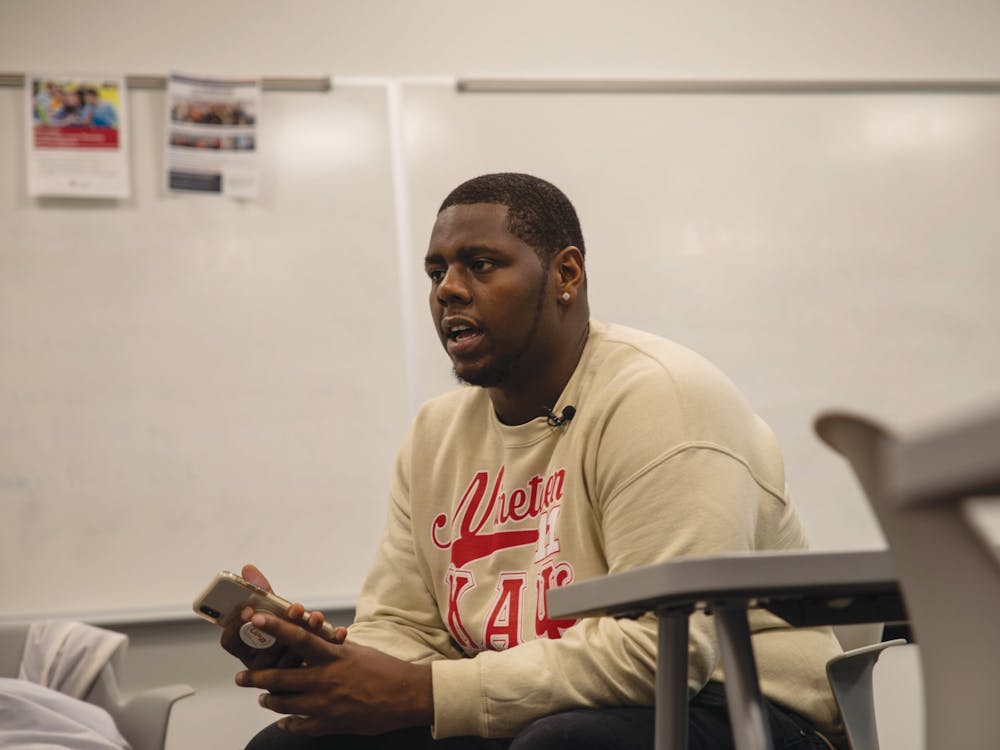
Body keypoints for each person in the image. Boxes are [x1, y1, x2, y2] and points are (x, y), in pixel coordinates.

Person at [223, 173, 845, 750]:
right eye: (436, 272)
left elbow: (666, 652)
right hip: (541, 710)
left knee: (565, 744)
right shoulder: (435, 433)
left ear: (566, 274)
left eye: (482, 265)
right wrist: (321, 663)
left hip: (744, 705)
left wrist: (426, 692)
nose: (449, 290)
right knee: (294, 744)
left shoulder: (664, 398)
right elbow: (405, 628)